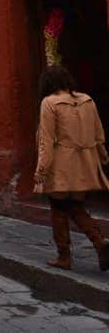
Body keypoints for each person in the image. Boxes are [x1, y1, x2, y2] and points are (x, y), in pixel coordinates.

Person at [33, 65, 109, 271]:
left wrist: (41, 170)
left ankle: (72, 253)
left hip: (62, 164)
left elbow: (46, 141)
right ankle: (94, 244)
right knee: (70, 204)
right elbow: (99, 133)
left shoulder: (49, 103)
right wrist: (102, 159)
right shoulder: (87, 100)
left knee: (59, 204)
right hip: (85, 162)